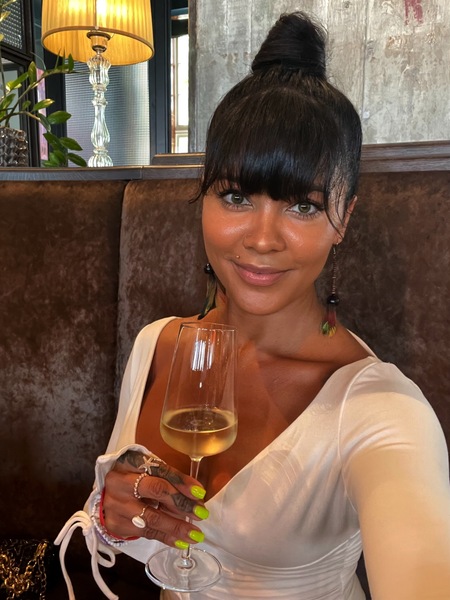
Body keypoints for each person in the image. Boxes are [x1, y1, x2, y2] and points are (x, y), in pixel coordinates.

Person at [56, 11, 450, 600]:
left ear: (345, 217)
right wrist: (112, 509)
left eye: (303, 206)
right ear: (204, 196)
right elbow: (117, 519)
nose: (262, 239)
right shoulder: (155, 345)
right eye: (236, 196)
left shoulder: (381, 411)